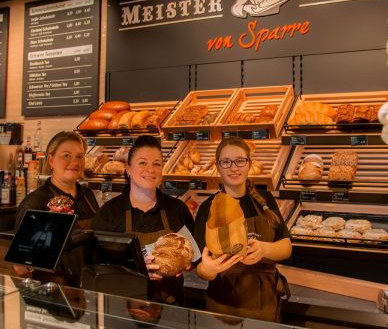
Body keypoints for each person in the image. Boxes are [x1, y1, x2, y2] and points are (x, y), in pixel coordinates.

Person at [194, 137, 292, 322]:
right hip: (222, 304)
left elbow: (286, 247)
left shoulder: (265, 200)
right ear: (218, 167)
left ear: (249, 164)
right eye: (226, 162)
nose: (234, 167)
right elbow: (200, 268)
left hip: (265, 302)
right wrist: (208, 269)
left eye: (240, 160)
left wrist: (264, 249)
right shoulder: (209, 207)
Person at [92, 135, 194, 305]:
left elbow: (194, 256)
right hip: (122, 308)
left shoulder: (178, 210)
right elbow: (96, 267)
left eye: (157, 164)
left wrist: (187, 262)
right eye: (142, 163)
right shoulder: (109, 213)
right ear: (128, 169)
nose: (150, 169)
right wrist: (136, 269)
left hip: (171, 308)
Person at [14, 131, 99, 285]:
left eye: (79, 156)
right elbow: (20, 267)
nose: (74, 162)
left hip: (90, 286)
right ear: (51, 160)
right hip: (54, 290)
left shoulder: (87, 195)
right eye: (66, 155)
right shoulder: (35, 203)